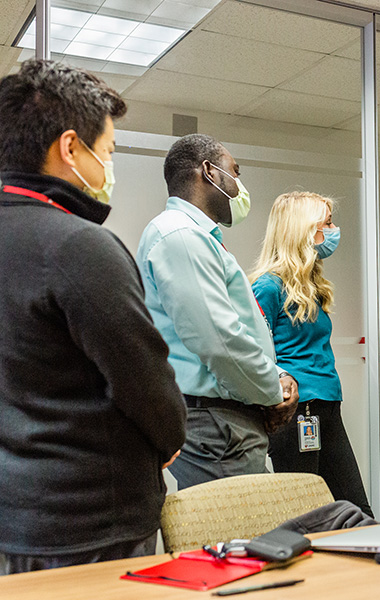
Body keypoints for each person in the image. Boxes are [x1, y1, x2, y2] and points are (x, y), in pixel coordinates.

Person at [0, 60, 186, 574]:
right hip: (87, 524)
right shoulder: (79, 246)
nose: (108, 165)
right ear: (69, 148)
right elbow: (147, 384)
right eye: (105, 150)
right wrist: (170, 439)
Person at [136, 134, 298, 490]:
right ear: (209, 172)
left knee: (250, 535)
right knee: (241, 538)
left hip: (224, 420)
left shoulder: (199, 238)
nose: (239, 186)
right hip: (216, 425)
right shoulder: (181, 236)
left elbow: (239, 328)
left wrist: (278, 375)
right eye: (234, 172)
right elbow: (218, 341)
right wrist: (274, 389)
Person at [250, 191, 373, 516]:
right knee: (307, 514)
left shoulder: (313, 287)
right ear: (302, 230)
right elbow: (254, 351)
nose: (334, 230)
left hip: (328, 406)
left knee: (357, 510)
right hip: (295, 413)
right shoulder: (268, 287)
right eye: (327, 223)